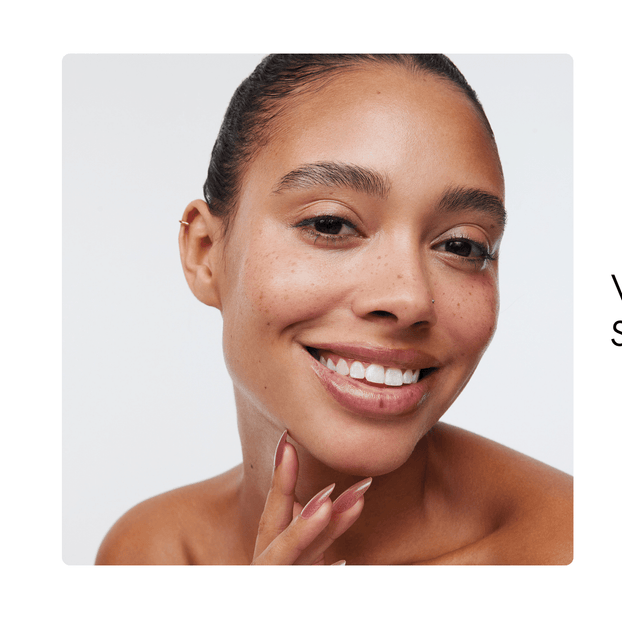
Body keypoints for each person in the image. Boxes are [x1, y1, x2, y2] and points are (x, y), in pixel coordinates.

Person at [95, 55, 572, 565]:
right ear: (207, 254)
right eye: (330, 225)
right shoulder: (152, 556)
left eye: (461, 246)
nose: (409, 298)